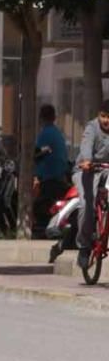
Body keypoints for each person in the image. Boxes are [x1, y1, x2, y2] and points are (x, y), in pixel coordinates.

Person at [74, 101, 109, 268]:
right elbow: (86, 145)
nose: (106, 121)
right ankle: (84, 246)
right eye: (103, 116)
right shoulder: (91, 128)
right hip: (87, 170)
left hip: (106, 170)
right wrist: (87, 160)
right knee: (87, 204)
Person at [34, 104, 71, 235]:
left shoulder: (45, 133)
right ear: (54, 117)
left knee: (41, 207)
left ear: (40, 118)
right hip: (59, 175)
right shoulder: (56, 133)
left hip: (50, 177)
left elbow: (37, 154)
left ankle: (45, 231)